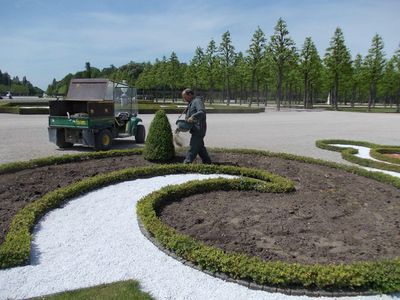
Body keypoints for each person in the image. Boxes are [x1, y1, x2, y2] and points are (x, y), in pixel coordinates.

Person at [182, 88, 211, 164]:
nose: (184, 99)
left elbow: (202, 112)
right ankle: (207, 162)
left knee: (193, 147)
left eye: (185, 97)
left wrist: (193, 117)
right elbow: (188, 119)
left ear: (190, 94)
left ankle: (187, 163)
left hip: (199, 129)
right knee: (200, 147)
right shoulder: (191, 103)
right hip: (195, 129)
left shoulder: (197, 101)